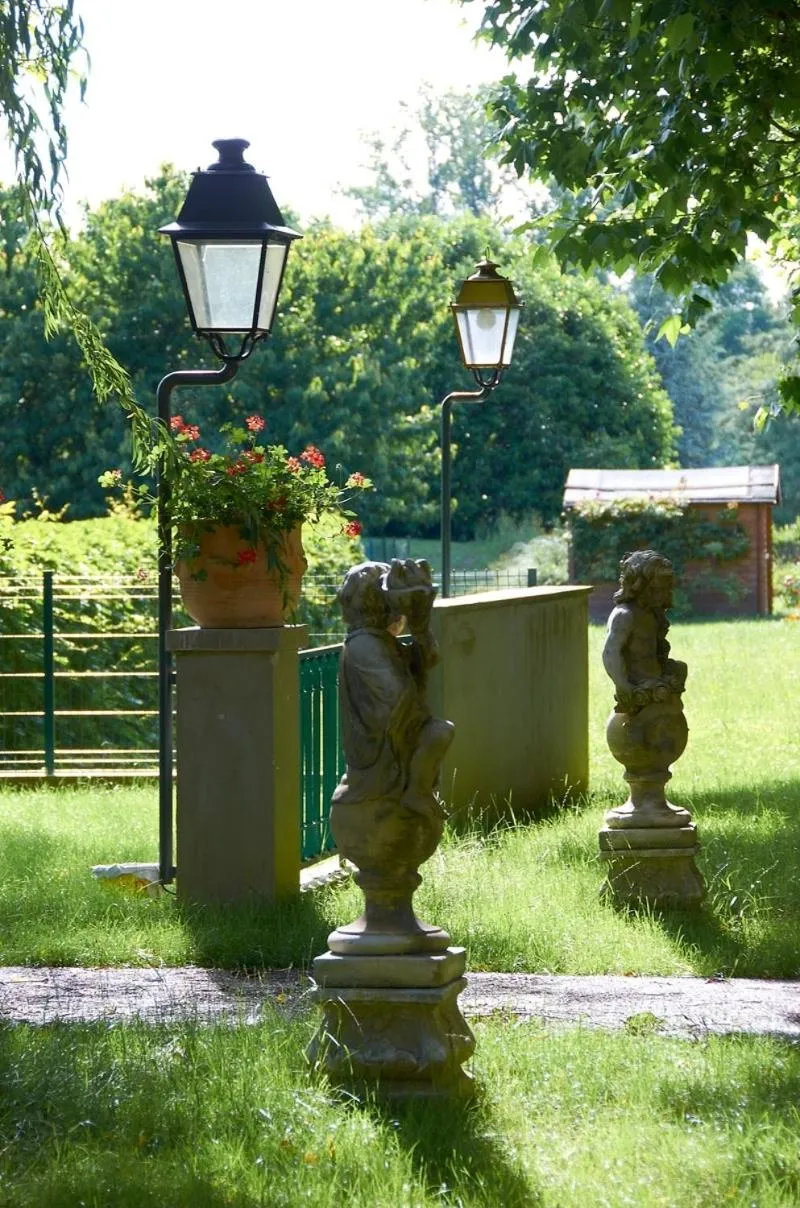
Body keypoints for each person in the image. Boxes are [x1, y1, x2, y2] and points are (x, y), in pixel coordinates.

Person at [333, 558, 454, 810]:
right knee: (437, 733)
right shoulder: (365, 645)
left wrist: (420, 627)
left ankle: (417, 792)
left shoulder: (380, 640)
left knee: (439, 732)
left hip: (392, 739)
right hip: (378, 748)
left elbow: (427, 660)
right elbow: (396, 696)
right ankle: (415, 794)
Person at [602, 550, 687, 714]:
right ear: (637, 586)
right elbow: (610, 651)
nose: (661, 595)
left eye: (665, 590)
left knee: (680, 668)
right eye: (655, 590)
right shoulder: (624, 615)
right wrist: (621, 684)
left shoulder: (653, 613)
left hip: (657, 681)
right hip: (638, 687)